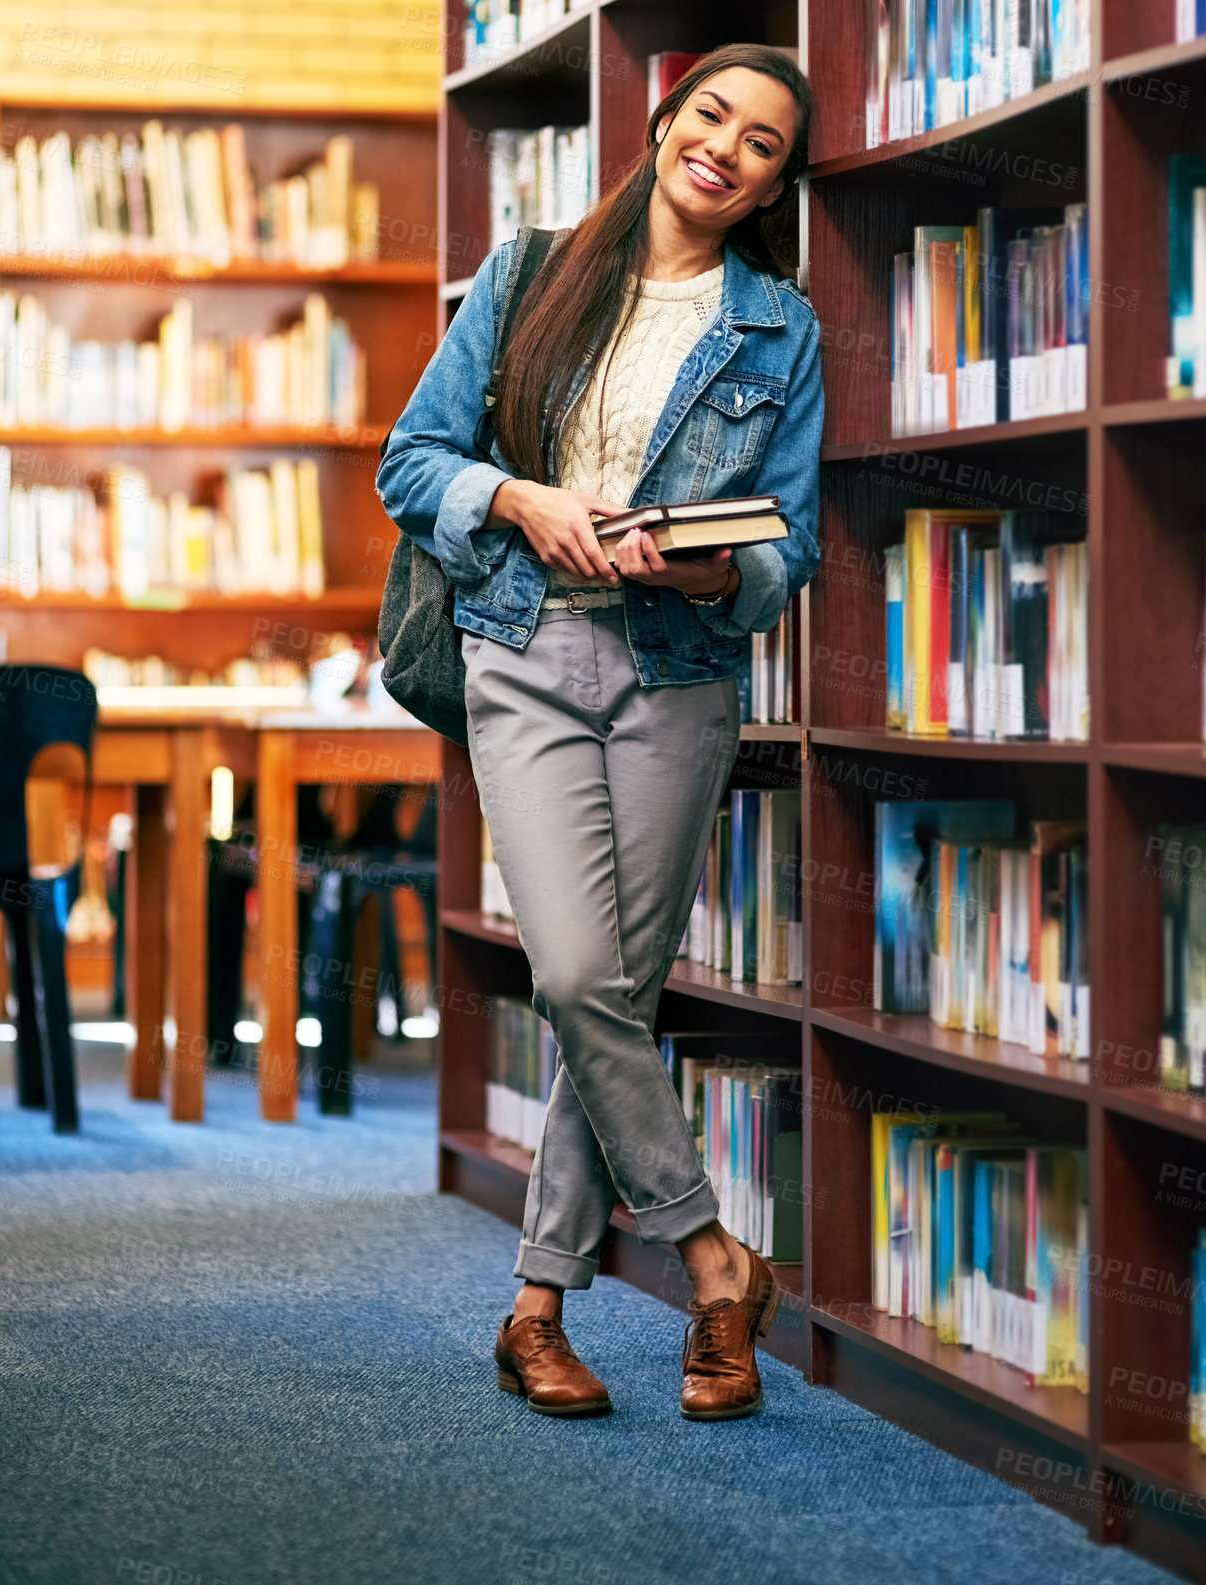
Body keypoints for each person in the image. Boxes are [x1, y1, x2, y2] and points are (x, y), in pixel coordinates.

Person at [377, 42, 822, 1421]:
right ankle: (713, 1255)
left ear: (771, 186)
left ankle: (533, 1310)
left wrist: (717, 569)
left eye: (761, 144)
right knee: (574, 971)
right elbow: (413, 460)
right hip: (526, 649)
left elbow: (788, 548)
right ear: (662, 119)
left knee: (608, 998)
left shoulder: (779, 329)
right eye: (711, 117)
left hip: (678, 672)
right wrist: (519, 502)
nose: (726, 150)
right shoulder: (527, 273)